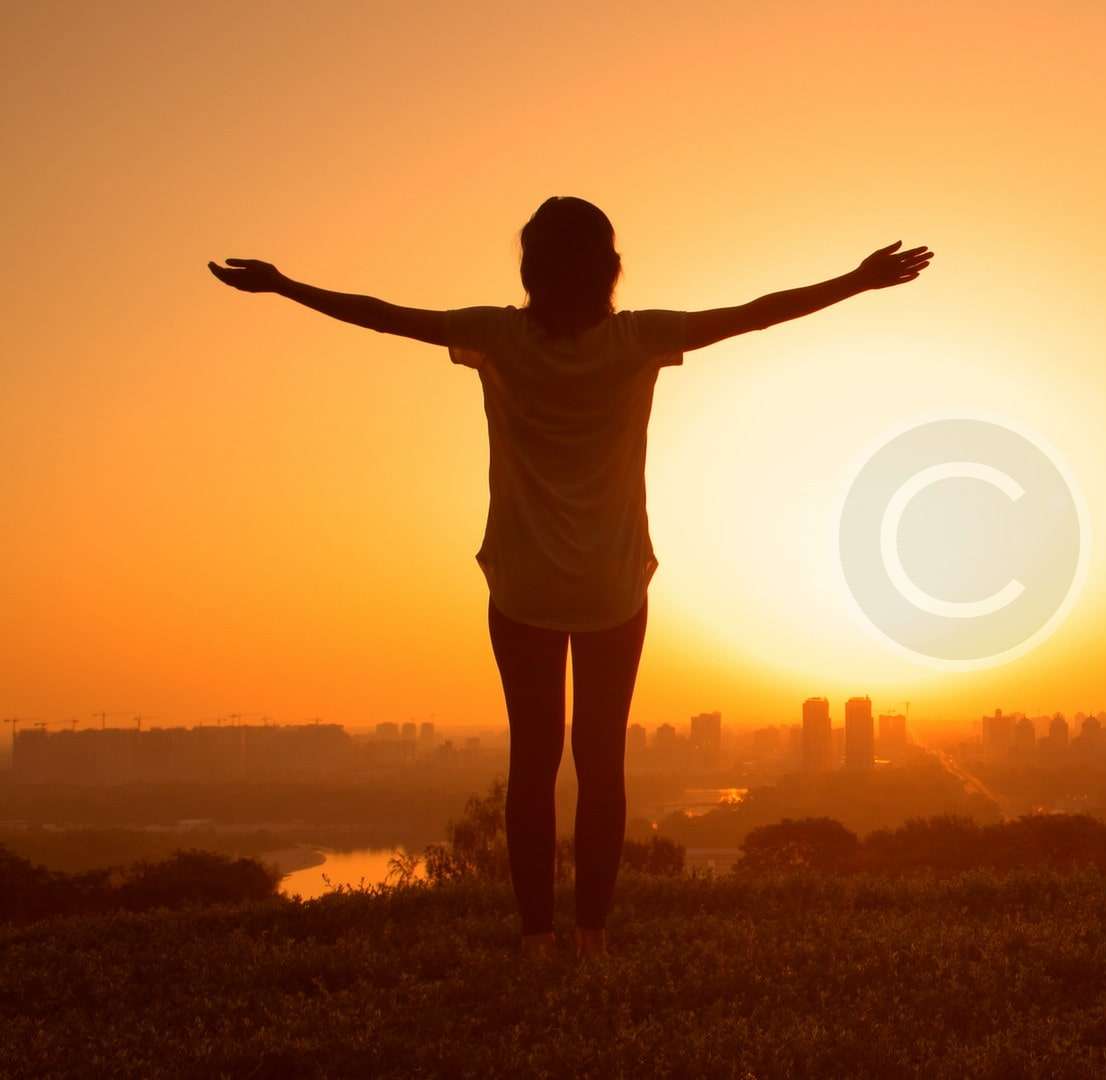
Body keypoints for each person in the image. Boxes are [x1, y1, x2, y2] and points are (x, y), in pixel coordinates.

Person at [209, 196, 933, 960]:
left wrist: (286, 285)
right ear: (609, 269)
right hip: (612, 586)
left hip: (521, 585)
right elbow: (755, 315)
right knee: (601, 763)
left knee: (532, 764)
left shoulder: (496, 335)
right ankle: (591, 939)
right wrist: (855, 281)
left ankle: (534, 938)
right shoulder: (638, 337)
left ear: (530, 269)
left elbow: (383, 315)